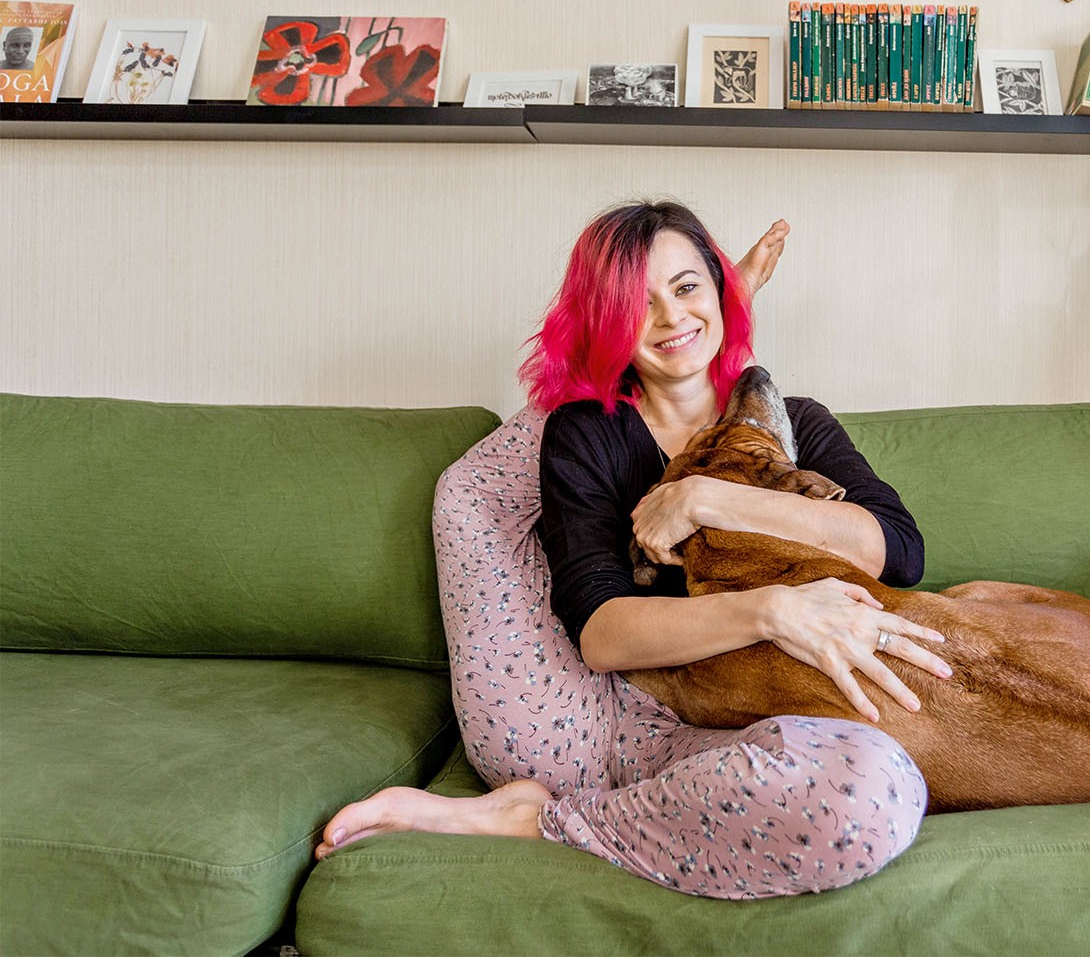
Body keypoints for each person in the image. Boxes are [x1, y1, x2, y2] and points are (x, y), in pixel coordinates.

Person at [316, 202, 951, 899]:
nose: (670, 316)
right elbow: (602, 635)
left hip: (739, 725)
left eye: (688, 288)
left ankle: (551, 817)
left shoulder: (796, 423)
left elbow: (896, 550)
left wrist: (703, 499)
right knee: (471, 494)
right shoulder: (587, 432)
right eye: (635, 305)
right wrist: (770, 610)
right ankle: (539, 816)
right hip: (604, 718)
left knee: (874, 786)